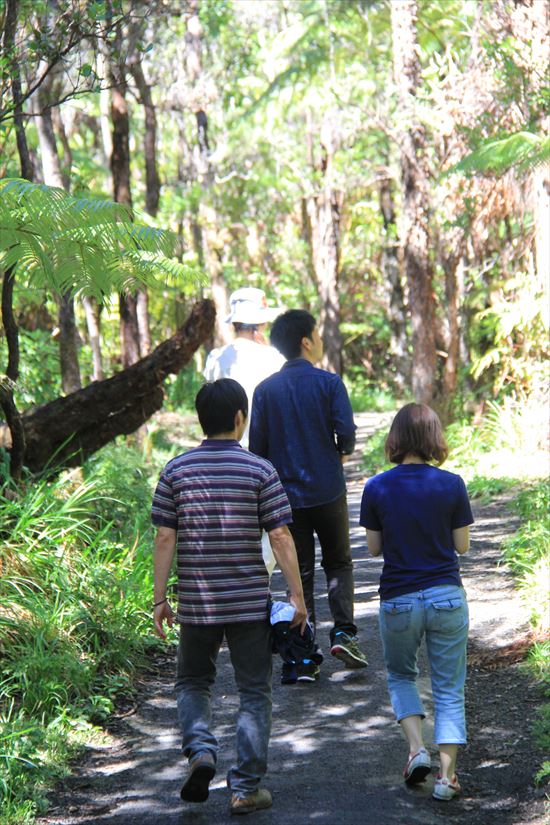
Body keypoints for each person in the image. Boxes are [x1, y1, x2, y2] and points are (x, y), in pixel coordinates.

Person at [152, 378, 307, 815]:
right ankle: (244, 788)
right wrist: (297, 596)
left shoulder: (176, 471)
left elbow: (166, 537)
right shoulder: (260, 470)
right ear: (240, 418)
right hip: (248, 603)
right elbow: (280, 534)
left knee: (192, 681)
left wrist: (160, 599)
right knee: (254, 690)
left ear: (202, 420)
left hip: (198, 604)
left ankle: (201, 751)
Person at [359, 403, 474, 802]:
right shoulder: (452, 483)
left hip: (399, 599)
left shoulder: (376, 487)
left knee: (401, 676)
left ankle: (415, 750)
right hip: (446, 595)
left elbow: (374, 549)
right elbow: (462, 545)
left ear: (395, 439)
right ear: (433, 439)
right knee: (448, 687)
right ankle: (447, 778)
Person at [249, 309, 367, 683]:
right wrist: (338, 451)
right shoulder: (330, 384)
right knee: (338, 563)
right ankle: (344, 633)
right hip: (328, 491)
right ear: (305, 341)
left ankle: (303, 656)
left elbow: (258, 449)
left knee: (296, 573)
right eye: (317, 334)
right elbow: (345, 433)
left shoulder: (265, 391)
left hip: (285, 498)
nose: (320, 340)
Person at [203, 287, 285, 449]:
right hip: (267, 448)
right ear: (261, 324)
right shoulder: (275, 358)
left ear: (235, 323)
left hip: (224, 448)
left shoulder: (215, 358)